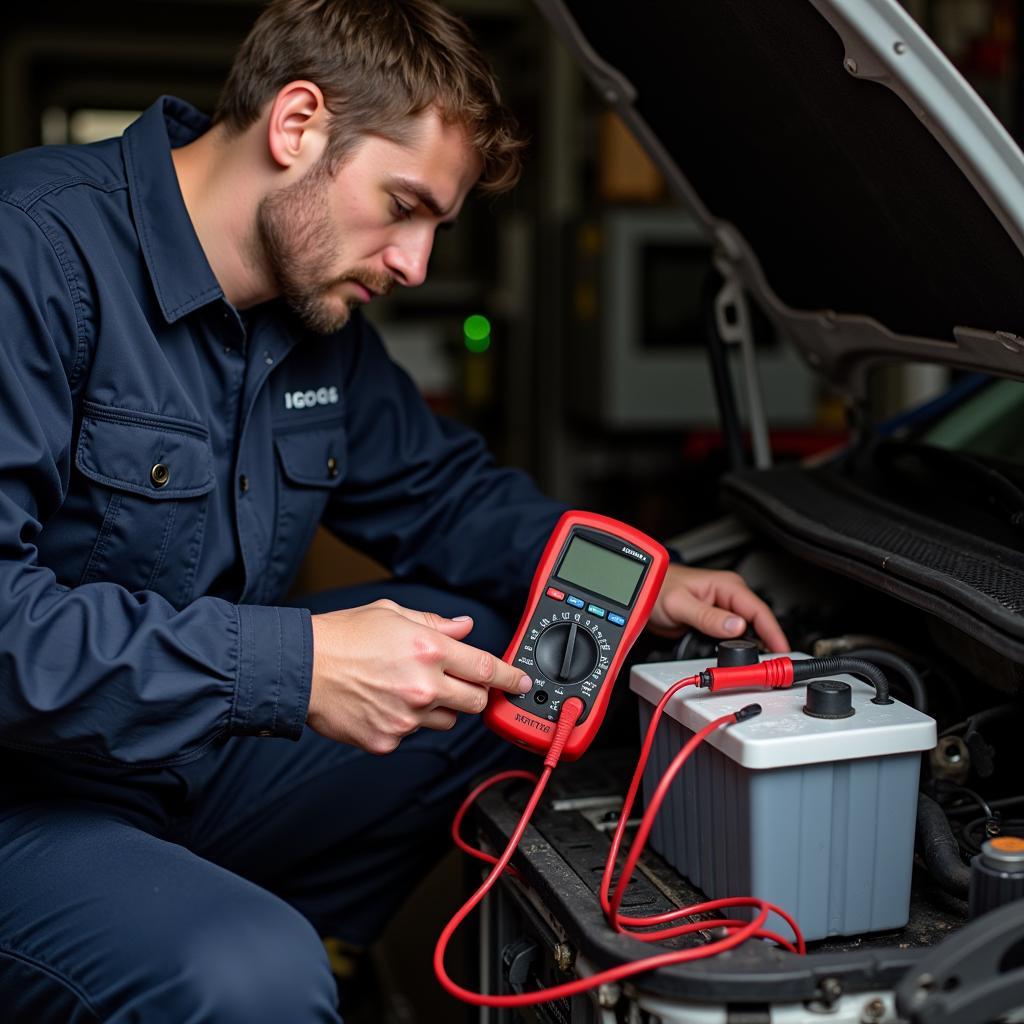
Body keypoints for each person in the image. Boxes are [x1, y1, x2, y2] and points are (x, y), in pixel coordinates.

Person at [0, 1, 788, 1020]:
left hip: (166, 762)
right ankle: (239, 965)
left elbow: (441, 496)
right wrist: (303, 666)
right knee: (249, 975)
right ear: (297, 126)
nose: (413, 265)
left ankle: (241, 933)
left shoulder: (311, 314)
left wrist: (649, 581)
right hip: (25, 789)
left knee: (513, 669)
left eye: (435, 227)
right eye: (402, 205)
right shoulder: (30, 254)